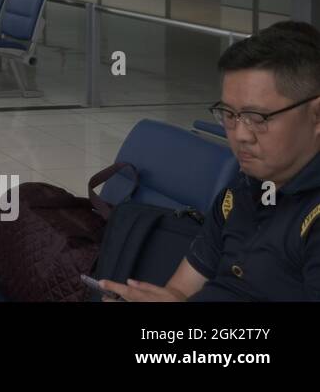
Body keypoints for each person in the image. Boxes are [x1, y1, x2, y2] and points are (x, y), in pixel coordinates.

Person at [100, 21, 320, 302]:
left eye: (258, 118)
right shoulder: (239, 191)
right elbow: (180, 290)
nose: (240, 135)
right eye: (229, 114)